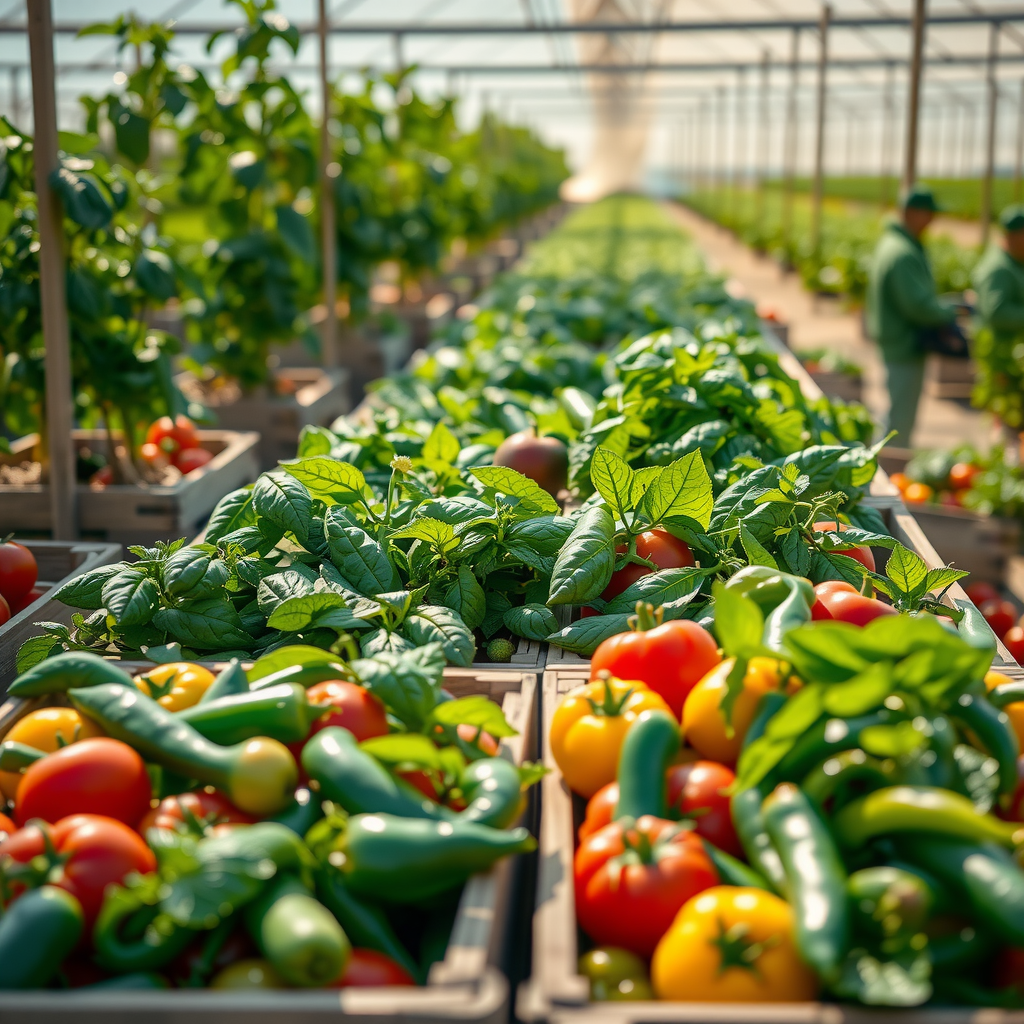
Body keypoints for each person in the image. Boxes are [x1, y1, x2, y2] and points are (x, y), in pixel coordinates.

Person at [865, 184, 957, 445]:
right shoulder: (902, 253)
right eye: (928, 213)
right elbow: (917, 307)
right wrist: (949, 311)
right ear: (912, 213)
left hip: (895, 339)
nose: (932, 220)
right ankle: (886, 475)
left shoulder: (894, 244)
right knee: (899, 421)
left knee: (896, 410)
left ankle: (884, 468)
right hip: (904, 343)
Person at [971, 205, 1024, 434]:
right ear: (1013, 236)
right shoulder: (998, 268)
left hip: (1012, 357)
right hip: (1002, 359)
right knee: (1007, 422)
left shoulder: (1013, 262)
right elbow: (997, 312)